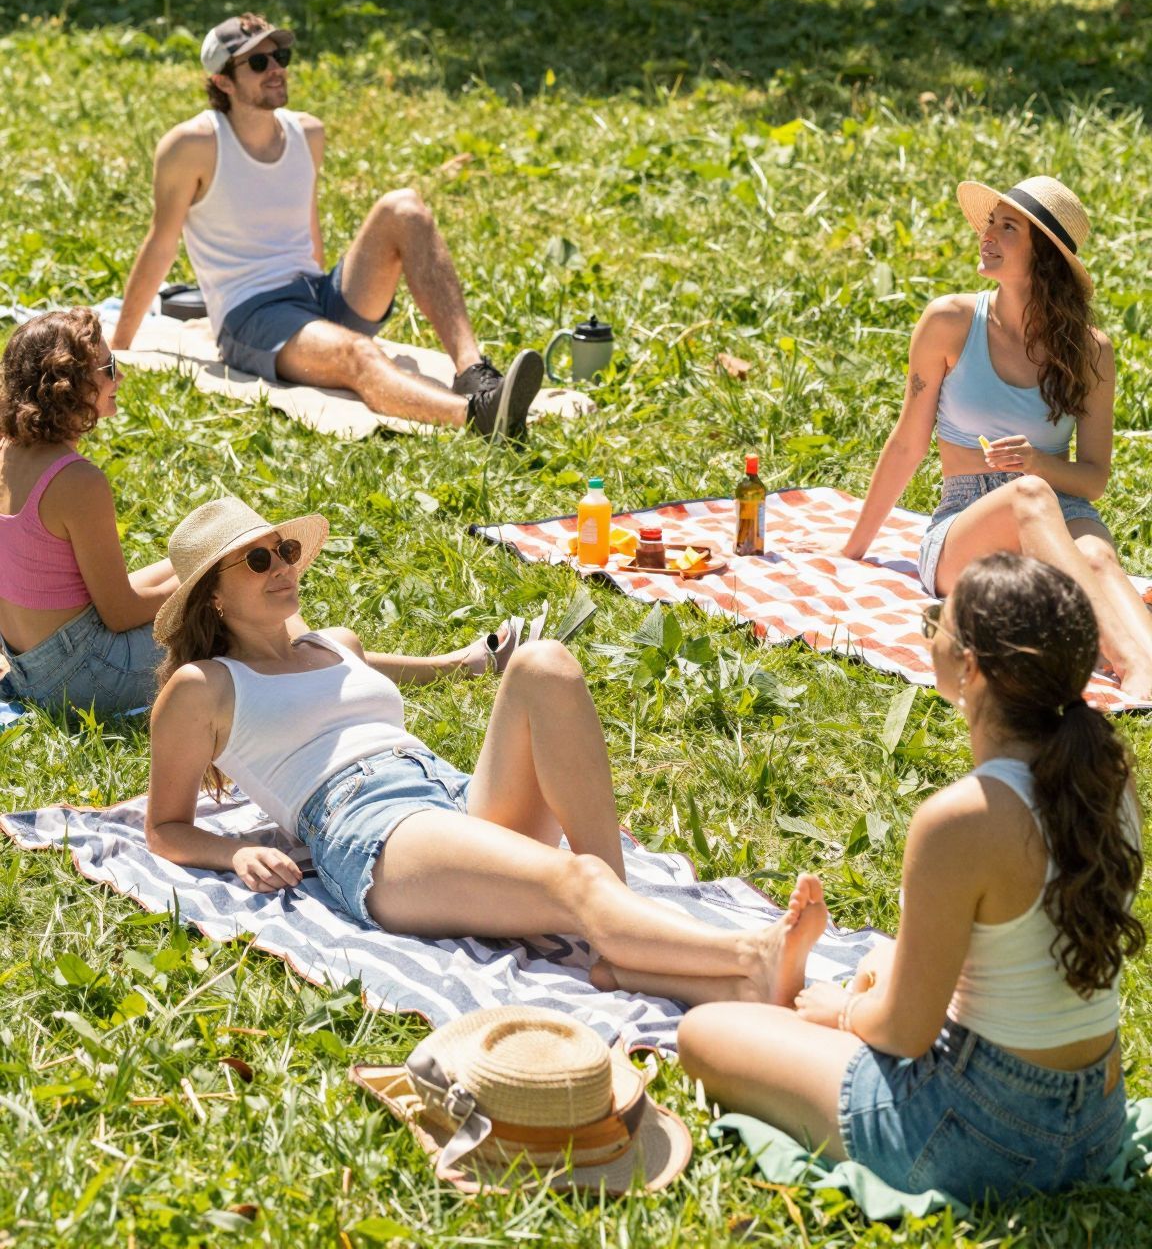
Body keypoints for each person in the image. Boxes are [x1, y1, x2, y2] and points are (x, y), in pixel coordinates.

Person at [146, 494, 822, 1002]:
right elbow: (164, 827)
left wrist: (467, 661)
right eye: (258, 560)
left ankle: (624, 939)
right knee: (575, 880)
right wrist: (233, 852)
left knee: (545, 663)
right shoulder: (203, 688)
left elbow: (409, 670)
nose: (283, 567)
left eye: (286, 550)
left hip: (448, 792)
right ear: (212, 598)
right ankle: (748, 955)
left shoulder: (335, 644)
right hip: (370, 826)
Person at [678, 553, 1143, 1204]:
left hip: (979, 1137)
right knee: (881, 959)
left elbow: (906, 1034)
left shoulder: (962, 819)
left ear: (970, 667)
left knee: (703, 1033)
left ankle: (790, 1014)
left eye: (936, 622)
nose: (930, 633)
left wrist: (843, 1012)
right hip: (1095, 1123)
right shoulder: (1111, 780)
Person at [110, 14, 543, 439]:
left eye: (280, 56)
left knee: (404, 206)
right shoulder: (192, 145)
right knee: (358, 353)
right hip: (252, 316)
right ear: (223, 81)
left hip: (315, 294)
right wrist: (120, 345)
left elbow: (308, 232)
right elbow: (161, 244)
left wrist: (322, 322)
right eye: (258, 62)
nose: (276, 68)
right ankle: (479, 417)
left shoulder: (307, 133)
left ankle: (473, 373)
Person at [841, 174, 1152, 697]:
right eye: (990, 223)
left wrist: (1037, 462)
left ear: (1045, 256)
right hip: (965, 522)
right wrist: (853, 549)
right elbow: (908, 443)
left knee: (1098, 557)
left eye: (1007, 228)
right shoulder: (950, 321)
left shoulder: (1091, 350)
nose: (986, 236)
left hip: (1064, 509)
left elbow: (1093, 479)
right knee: (1029, 496)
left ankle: (1145, 673)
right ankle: (1131, 664)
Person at [0, 311, 179, 714]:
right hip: (86, 677)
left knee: (196, 558)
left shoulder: (6, 452)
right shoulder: (77, 482)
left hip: (27, 664)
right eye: (109, 368)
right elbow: (120, 613)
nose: (121, 378)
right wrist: (201, 587)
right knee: (228, 609)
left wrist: (196, 570)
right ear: (68, 385)